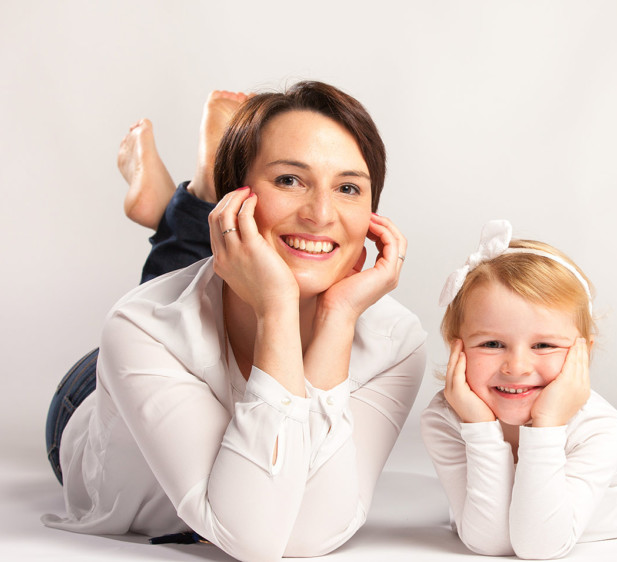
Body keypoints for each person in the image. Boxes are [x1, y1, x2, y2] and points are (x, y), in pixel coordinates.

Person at [42, 82, 428, 562]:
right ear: (238, 197)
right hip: (95, 393)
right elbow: (251, 539)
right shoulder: (140, 327)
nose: (321, 214)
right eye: (290, 179)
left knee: (217, 275)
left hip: (203, 316)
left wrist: (337, 317)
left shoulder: (395, 340)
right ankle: (205, 190)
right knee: (187, 294)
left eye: (348, 188)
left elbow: (307, 536)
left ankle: (190, 196)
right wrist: (276, 308)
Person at [420, 220, 617, 560]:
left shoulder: (600, 427)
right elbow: (492, 543)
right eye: (491, 343)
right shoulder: (445, 420)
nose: (516, 367)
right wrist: (478, 427)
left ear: (583, 353)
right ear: (457, 348)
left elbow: (538, 547)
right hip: (568, 441)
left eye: (544, 344)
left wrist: (547, 425)